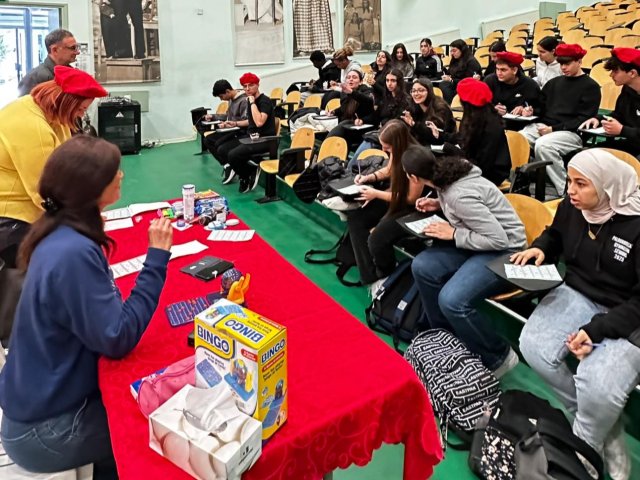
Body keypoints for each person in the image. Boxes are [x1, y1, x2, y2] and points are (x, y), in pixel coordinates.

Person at [0, 135, 173, 479]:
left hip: (37, 406)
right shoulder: (72, 252)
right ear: (91, 188)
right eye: (114, 172)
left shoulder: (57, 233)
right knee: (156, 430)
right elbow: (118, 337)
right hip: (42, 432)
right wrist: (156, 259)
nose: (122, 175)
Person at [515, 149, 640, 480]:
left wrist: (596, 330)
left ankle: (585, 449)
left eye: (581, 183)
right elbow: (556, 234)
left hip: (630, 311)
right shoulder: (573, 206)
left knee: (598, 386)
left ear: (607, 186)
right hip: (580, 291)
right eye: (569, 181)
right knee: (533, 346)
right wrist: (542, 246)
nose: (570, 190)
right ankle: (602, 426)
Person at [404, 146, 526, 376]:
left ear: (413, 177)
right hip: (477, 241)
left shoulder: (457, 195)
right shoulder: (445, 176)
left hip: (506, 250)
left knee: (452, 300)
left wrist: (453, 233)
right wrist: (438, 204)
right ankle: (445, 339)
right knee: (422, 266)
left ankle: (498, 357)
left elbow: (498, 240)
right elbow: (466, 203)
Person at [0, 66, 108, 268]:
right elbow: (45, 191)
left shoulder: (51, 113)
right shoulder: (31, 126)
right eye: (81, 109)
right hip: (11, 218)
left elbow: (66, 163)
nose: (81, 114)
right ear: (67, 102)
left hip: (30, 208)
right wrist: (84, 220)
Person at [346, 120, 422, 286]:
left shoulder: (417, 159)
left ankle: (385, 272)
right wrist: (368, 177)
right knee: (355, 218)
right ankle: (369, 275)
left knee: (377, 238)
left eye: (386, 147)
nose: (383, 150)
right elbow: (388, 170)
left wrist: (376, 194)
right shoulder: (397, 149)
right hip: (393, 197)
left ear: (397, 143)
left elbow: (411, 198)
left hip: (410, 208)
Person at [518, 43, 601, 197]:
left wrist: (553, 129)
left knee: (544, 145)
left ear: (579, 61)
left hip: (572, 132)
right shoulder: (553, 83)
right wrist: (531, 111)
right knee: (519, 138)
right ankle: (520, 182)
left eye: (567, 64)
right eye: (561, 64)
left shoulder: (591, 87)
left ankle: (565, 189)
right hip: (546, 126)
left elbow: (583, 119)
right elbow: (541, 108)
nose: (563, 67)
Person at [433, 78, 511, 185]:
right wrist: (441, 135)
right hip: (475, 165)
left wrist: (452, 149)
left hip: (489, 174)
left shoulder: (492, 126)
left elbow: (483, 164)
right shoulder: (473, 116)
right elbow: (462, 137)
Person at [215, 72, 276, 194]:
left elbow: (259, 122)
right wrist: (235, 123)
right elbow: (250, 121)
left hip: (266, 139)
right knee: (222, 149)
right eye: (244, 86)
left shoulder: (264, 101)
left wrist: (252, 103)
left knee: (233, 155)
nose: (247, 89)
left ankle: (246, 175)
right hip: (251, 137)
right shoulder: (249, 100)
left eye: (251, 85)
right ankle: (249, 170)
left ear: (257, 85)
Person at [580, 48, 640, 157]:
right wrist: (599, 119)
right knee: (581, 154)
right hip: (631, 144)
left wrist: (622, 130)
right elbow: (619, 115)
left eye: (615, 71)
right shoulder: (627, 89)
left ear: (632, 73)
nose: (611, 75)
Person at [201, 79, 249, 181]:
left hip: (240, 132)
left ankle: (232, 165)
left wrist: (230, 124)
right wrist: (213, 116)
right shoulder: (231, 99)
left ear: (227, 91)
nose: (221, 99)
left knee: (219, 145)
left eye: (221, 96)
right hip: (230, 129)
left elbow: (246, 121)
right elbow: (227, 116)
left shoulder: (244, 100)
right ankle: (227, 164)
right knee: (208, 140)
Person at [483, 51, 542, 130]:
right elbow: (479, 106)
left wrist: (528, 111)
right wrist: (492, 109)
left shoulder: (530, 85)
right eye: (497, 69)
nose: (499, 73)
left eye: (503, 70)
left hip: (520, 127)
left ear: (514, 70)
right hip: (493, 124)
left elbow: (540, 109)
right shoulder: (489, 81)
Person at [17, 29, 79, 97]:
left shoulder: (71, 74)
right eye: (73, 48)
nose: (77, 52)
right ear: (54, 50)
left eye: (77, 47)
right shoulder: (33, 79)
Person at [326, 69, 374, 150]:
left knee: (342, 126)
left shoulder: (366, 90)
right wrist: (334, 111)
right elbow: (344, 108)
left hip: (360, 127)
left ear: (361, 81)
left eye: (354, 77)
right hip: (347, 125)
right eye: (348, 77)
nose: (351, 79)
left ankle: (327, 149)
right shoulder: (344, 92)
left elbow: (368, 101)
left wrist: (352, 92)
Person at [400, 78, 456, 146]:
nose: (416, 94)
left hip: (441, 146)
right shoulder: (413, 106)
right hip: (420, 145)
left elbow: (434, 136)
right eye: (413, 91)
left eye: (421, 90)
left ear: (429, 91)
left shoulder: (441, 108)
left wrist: (414, 125)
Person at [439, 39, 481, 104]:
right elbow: (449, 73)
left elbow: (469, 80)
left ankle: (449, 105)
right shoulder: (454, 60)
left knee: (445, 85)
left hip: (466, 87)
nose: (452, 53)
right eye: (451, 51)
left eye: (454, 51)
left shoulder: (471, 61)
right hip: (455, 85)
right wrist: (446, 75)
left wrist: (451, 80)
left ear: (462, 50)